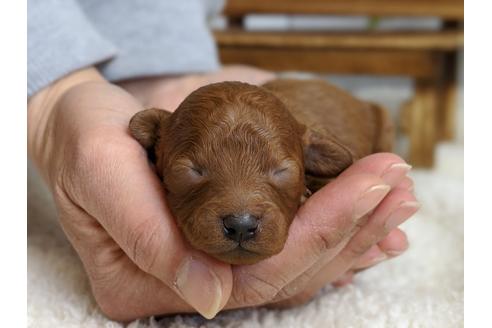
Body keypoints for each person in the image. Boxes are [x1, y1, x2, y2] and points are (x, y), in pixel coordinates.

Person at [27, 0, 419, 321]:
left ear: (315, 161)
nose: (242, 218)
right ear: (152, 141)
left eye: (282, 172)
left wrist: (156, 73)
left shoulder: (320, 148)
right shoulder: (154, 134)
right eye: (191, 173)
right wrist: (50, 98)